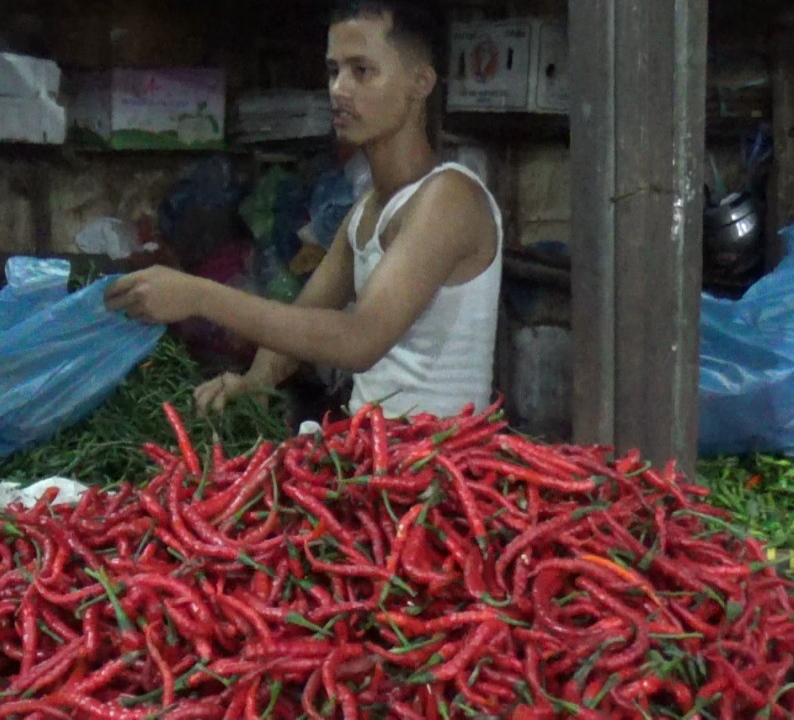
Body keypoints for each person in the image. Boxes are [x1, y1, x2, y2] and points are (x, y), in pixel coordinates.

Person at [104, 0, 503, 420]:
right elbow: (305, 320)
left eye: (361, 71)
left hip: (441, 468)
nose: (339, 90)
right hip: (378, 458)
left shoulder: (450, 198)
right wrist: (255, 382)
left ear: (420, 82)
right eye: (334, 71)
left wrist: (199, 295)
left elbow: (359, 339)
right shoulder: (367, 210)